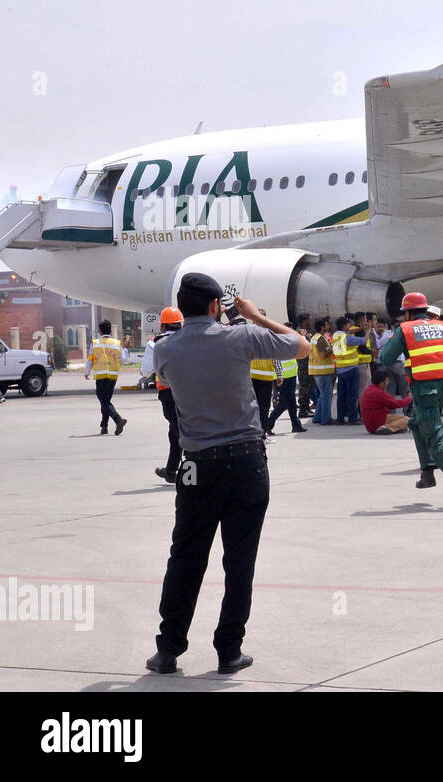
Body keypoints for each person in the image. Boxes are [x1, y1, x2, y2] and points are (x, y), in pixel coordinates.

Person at [144, 272, 309, 676]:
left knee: (185, 557)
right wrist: (255, 317)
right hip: (246, 461)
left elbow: (162, 378)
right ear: (216, 305)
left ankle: (168, 648)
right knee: (239, 561)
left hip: (197, 466)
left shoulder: (165, 349)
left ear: (181, 307)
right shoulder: (240, 337)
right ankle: (228, 650)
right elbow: (301, 347)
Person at [376, 292, 443, 509]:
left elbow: (385, 358)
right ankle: (428, 472)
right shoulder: (442, 325)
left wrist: (399, 342)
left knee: (435, 437)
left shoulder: (405, 329)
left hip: (424, 389)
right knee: (414, 422)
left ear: (408, 313)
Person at [141, 307, 184, 482]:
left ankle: (192, 469)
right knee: (175, 432)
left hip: (168, 393)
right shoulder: (189, 339)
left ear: (163, 326)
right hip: (190, 391)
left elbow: (146, 371)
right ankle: (171, 471)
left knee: (179, 431)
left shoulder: (155, 343)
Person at [85, 319, 128, 435]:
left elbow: (90, 359)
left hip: (101, 375)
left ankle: (118, 419)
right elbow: (123, 360)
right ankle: (104, 426)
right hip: (113, 376)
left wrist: (87, 372)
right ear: (110, 331)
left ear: (99, 331)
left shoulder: (95, 343)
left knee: (103, 401)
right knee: (106, 401)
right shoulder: (116, 343)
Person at [248, 309, 278, 434]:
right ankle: (262, 434)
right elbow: (275, 353)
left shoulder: (247, 332)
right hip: (264, 375)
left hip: (252, 374)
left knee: (253, 406)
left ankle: (256, 433)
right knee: (263, 407)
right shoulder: (268, 333)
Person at [266, 341, 305, 435]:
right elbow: (276, 360)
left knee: (291, 402)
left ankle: (296, 425)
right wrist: (279, 376)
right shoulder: (278, 344)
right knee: (284, 402)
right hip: (284, 376)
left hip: (290, 374)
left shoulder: (284, 342)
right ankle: (269, 423)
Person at [360, 368, 413, 434]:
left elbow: (391, 404)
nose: (388, 383)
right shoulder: (378, 392)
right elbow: (395, 404)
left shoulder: (369, 389)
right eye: (387, 380)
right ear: (381, 382)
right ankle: (387, 428)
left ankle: (390, 428)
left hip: (371, 424)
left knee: (403, 424)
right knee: (407, 420)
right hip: (379, 421)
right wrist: (409, 398)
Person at [308, 318, 336, 425]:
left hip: (317, 370)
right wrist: (332, 348)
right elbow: (323, 355)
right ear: (322, 327)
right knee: (326, 395)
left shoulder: (315, 338)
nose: (328, 326)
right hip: (323, 371)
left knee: (322, 395)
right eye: (326, 325)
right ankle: (326, 418)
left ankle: (317, 417)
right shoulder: (320, 339)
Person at [295, 312, 313, 418]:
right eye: (309, 319)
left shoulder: (307, 331)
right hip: (303, 364)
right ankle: (302, 409)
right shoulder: (299, 332)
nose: (310, 321)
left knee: (309, 386)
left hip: (308, 363)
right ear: (304, 320)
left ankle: (306, 407)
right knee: (304, 386)